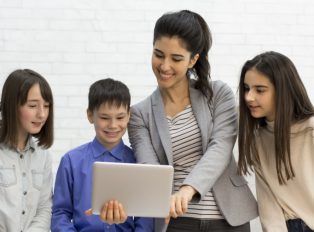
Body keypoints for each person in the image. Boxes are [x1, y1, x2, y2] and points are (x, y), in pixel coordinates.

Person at [100, 10, 257, 232]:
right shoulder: (139, 115)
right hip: (176, 221)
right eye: (158, 54)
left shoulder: (218, 94)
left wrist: (187, 189)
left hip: (229, 219)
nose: (164, 66)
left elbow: (220, 147)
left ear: (193, 60)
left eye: (176, 58)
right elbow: (149, 169)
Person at [51, 78, 153, 232]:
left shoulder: (138, 162)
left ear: (129, 116)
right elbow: (60, 213)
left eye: (120, 117)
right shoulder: (71, 161)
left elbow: (145, 218)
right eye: (104, 118)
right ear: (90, 115)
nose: (113, 125)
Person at [237, 51, 314, 232]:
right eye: (247, 88)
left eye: (260, 90)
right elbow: (268, 206)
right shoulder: (258, 140)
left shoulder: (310, 129)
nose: (249, 97)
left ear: (283, 89)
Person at [0, 69, 54, 231]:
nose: (42, 114)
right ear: (11, 105)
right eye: (32, 106)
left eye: (46, 105)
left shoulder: (43, 155)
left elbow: (45, 208)